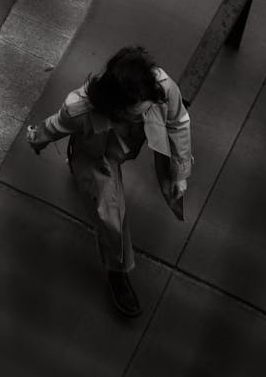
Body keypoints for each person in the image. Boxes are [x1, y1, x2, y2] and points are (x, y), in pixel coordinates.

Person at [26, 46, 192, 317]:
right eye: (135, 113)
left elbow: (179, 122)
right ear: (116, 106)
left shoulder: (159, 85)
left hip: (128, 145)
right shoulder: (79, 108)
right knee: (110, 217)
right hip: (98, 156)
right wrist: (36, 139)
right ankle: (118, 270)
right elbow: (55, 125)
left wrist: (180, 172)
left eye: (146, 109)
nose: (142, 115)